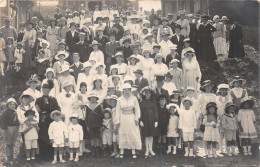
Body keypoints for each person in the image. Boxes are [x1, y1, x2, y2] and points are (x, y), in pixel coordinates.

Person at [115, 83, 142, 158]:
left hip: (131, 118)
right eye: (125, 90)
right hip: (123, 117)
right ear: (123, 91)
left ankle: (133, 150)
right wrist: (117, 121)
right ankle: (122, 151)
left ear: (131, 91)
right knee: (123, 133)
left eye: (128, 90)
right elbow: (117, 111)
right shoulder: (119, 99)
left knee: (132, 133)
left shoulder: (134, 98)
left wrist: (137, 118)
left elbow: (137, 109)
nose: (127, 91)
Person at [35, 83, 60, 160]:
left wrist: (54, 115)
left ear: (50, 90)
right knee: (43, 138)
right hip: (42, 121)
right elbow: (36, 111)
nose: (46, 91)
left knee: (53, 137)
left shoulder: (53, 99)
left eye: (48, 89)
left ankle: (53, 156)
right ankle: (44, 157)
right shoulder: (38, 100)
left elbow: (58, 110)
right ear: (42, 90)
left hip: (52, 121)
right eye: (44, 89)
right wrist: (41, 114)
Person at [139, 87, 158, 158]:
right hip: (145, 119)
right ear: (144, 94)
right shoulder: (142, 102)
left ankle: (151, 149)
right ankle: (146, 149)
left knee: (151, 135)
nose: (148, 94)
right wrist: (140, 120)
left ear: (151, 94)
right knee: (146, 135)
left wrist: (156, 120)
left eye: (149, 93)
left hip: (152, 119)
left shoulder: (153, 101)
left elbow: (156, 111)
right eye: (146, 93)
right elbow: (140, 112)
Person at [85, 93, 103, 158]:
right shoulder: (87, 106)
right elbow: (86, 116)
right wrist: (87, 125)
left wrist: (101, 125)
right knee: (92, 137)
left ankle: (97, 151)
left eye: (94, 98)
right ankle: (93, 151)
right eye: (92, 98)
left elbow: (101, 116)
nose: (93, 99)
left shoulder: (98, 106)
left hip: (97, 124)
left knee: (97, 137)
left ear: (96, 99)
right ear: (90, 99)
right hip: (91, 125)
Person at [0, 98, 19, 164]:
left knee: (12, 144)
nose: (12, 105)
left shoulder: (16, 111)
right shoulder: (6, 112)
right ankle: (9, 158)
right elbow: (2, 121)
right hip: (8, 128)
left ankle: (12, 157)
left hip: (15, 128)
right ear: (7, 105)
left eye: (13, 104)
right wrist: (4, 128)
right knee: (8, 143)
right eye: (10, 104)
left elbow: (18, 120)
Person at [216, 83, 231, 153]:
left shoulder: (229, 99)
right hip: (219, 117)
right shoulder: (216, 99)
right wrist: (217, 116)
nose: (224, 91)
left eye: (225, 90)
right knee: (220, 134)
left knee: (227, 134)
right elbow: (216, 108)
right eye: (222, 90)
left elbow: (231, 109)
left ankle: (227, 149)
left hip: (227, 117)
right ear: (220, 91)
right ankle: (220, 148)